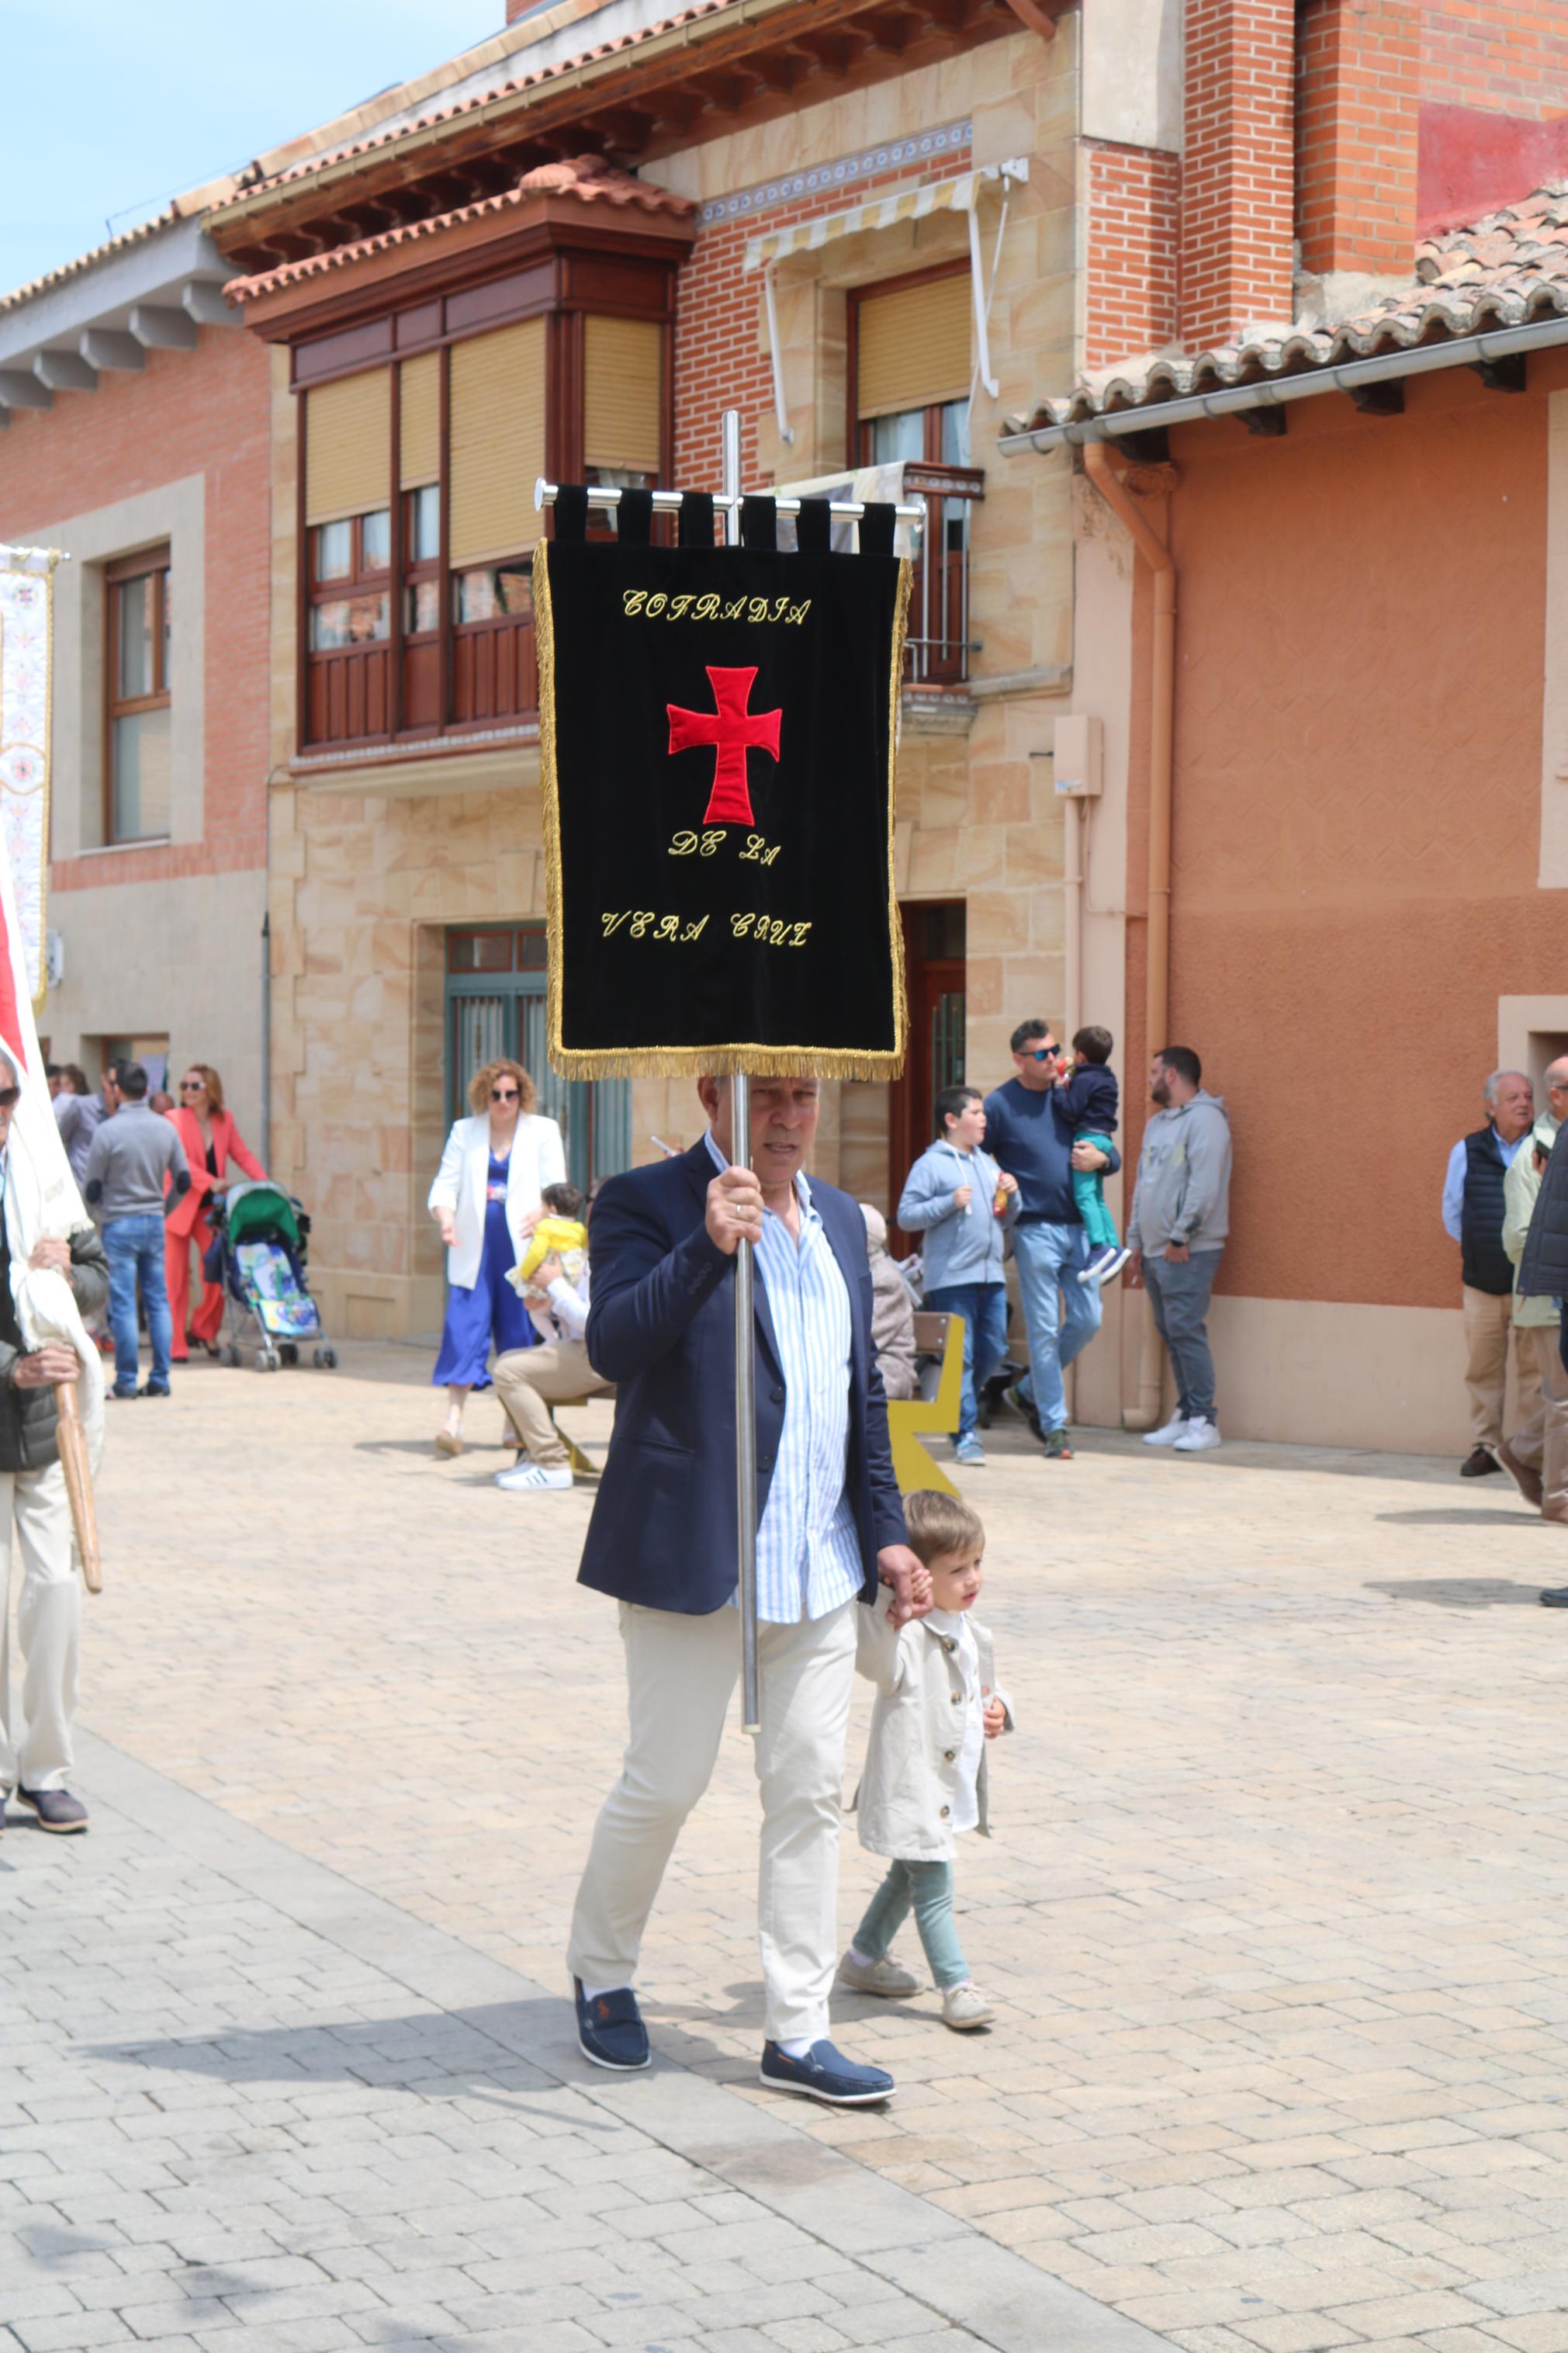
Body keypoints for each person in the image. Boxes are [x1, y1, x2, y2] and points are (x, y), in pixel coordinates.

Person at [566, 1073, 928, 2106]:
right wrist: (703, 1249)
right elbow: (613, 1346)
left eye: (801, 1096)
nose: (783, 1116)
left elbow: (855, 1392)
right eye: (764, 1093)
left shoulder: (846, 1229)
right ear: (713, 1095)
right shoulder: (645, 1201)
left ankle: (798, 2030)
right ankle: (601, 1971)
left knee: (808, 1792)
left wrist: (889, 1538)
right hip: (697, 1560)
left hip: (816, 1569)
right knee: (665, 1781)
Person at [839, 1488, 1012, 2032]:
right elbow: (875, 1663)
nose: (972, 1579)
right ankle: (957, 1986)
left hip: (946, 1788)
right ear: (917, 1576)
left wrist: (1000, 1708)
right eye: (956, 1569)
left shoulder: (971, 1631)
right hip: (913, 1789)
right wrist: (888, 1609)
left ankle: (864, 1959)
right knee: (933, 1886)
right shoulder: (906, 1636)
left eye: (977, 1563)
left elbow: (986, 1684)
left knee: (905, 1874)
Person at [0, 1048, 109, 1838]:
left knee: (56, 1595)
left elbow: (100, 1272)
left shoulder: (39, 1169)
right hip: (13, 1389)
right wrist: (14, 1365)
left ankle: (46, 1768)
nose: (4, 1113)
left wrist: (70, 1272)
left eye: (9, 1096)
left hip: (43, 1429)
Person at [982, 1021, 1116, 1461]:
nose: (1053, 1058)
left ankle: (1026, 1392)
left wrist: (1107, 1158)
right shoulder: (1000, 1104)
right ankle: (1055, 1425)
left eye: (1056, 1049)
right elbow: (979, 1157)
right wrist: (998, 1191)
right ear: (1019, 1059)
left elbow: (1104, 1138)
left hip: (1081, 1227)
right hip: (1035, 1229)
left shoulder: (1073, 1089)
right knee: (1042, 1329)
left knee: (1088, 1318)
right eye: (1042, 1054)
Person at [427, 1058, 565, 1456]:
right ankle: (453, 1422)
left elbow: (558, 1185)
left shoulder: (543, 1131)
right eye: (496, 1095)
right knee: (463, 1329)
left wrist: (544, 1210)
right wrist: (446, 1220)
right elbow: (444, 1186)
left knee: (519, 1333)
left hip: (524, 1249)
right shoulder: (464, 1132)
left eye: (511, 1094)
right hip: (475, 1249)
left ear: (523, 1095)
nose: (504, 1102)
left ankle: (514, 1420)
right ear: (483, 1096)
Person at [896, 1085, 1018, 1465]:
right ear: (952, 1121)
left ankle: (955, 1407)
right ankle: (964, 1433)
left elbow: (1006, 1218)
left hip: (991, 1274)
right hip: (951, 1278)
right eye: (976, 1113)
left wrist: (1013, 1196)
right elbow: (907, 1215)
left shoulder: (988, 1163)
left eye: (984, 1113)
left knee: (994, 1348)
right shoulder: (931, 1164)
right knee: (960, 1359)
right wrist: (948, 1203)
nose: (984, 1119)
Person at [1127, 1046, 1233, 1454]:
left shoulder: (1206, 1121)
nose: (1149, 1078)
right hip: (1156, 1251)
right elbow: (1144, 1185)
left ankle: (1205, 1420)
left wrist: (1179, 1237)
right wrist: (1137, 1242)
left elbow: (1203, 1187)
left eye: (1154, 1071)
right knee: (1171, 1332)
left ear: (1171, 1075)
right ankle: (1187, 1412)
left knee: (1186, 1331)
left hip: (1187, 1250)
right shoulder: (1157, 1125)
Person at [1442, 1069, 1539, 1477]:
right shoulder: (1467, 1150)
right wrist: (1481, 1249)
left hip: (1531, 1285)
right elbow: (1453, 1212)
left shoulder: (1545, 1147)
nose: (1523, 1104)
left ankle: (1531, 1452)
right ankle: (1486, 1446)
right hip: (1482, 1285)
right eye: (1513, 1097)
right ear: (1491, 1106)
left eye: (1528, 1096)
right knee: (1483, 1369)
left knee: (1536, 1372)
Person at [492, 1181, 609, 1494]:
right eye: (591, 1200)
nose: (591, 1207)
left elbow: (595, 1323)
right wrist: (550, 1305)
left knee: (508, 1372)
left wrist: (556, 1286)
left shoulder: (614, 1249)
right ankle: (537, 1455)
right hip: (595, 1352)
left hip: (604, 1356)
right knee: (509, 1362)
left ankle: (552, 1463)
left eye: (597, 1200)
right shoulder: (589, 1243)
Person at [83, 1062, 190, 1400]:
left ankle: (126, 1381)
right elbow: (184, 1180)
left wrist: (101, 1214)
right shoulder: (166, 1128)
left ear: (117, 1091)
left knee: (125, 1304)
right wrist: (163, 1208)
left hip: (119, 1223)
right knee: (158, 1301)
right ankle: (160, 1377)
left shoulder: (108, 1131)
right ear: (147, 1091)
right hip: (153, 1221)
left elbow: (92, 1188)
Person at [164, 1065, 266, 1363]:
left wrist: (264, 1184)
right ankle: (176, 1344)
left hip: (210, 1209)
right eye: (184, 1085)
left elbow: (242, 1154)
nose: (187, 1091)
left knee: (215, 1274)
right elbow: (180, 1161)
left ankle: (204, 1329)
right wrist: (212, 1181)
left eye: (194, 1086)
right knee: (175, 1278)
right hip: (179, 1205)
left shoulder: (224, 1120)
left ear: (210, 1089)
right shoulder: (174, 1120)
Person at [1497, 1116, 1568, 1526]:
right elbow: (1517, 1237)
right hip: (1548, 1300)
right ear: (1558, 1095)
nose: (1522, 1104)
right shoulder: (1532, 1155)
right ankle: (1558, 1498)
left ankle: (1521, 1451)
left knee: (1564, 1398)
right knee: (1563, 1401)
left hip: (1557, 1294)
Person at [1055, 1026, 1130, 1286]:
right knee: (1098, 1198)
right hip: (1104, 1139)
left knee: (1085, 1195)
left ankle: (1098, 1246)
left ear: (1081, 1056)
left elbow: (1072, 1110)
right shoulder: (1107, 1077)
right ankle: (1113, 1246)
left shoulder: (1084, 1079)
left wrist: (1059, 1086)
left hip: (1086, 1138)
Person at [860, 1203, 918, 1404]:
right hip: (868, 1366)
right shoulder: (861, 1270)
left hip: (889, 1369)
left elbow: (870, 1335)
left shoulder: (884, 1277)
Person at [55, 1062, 116, 1196]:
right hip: (80, 1187)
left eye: (65, 1085)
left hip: (109, 1192)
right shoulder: (80, 1106)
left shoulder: (125, 1113)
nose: (115, 1089)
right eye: (111, 1084)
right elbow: (60, 1136)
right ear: (103, 1081)